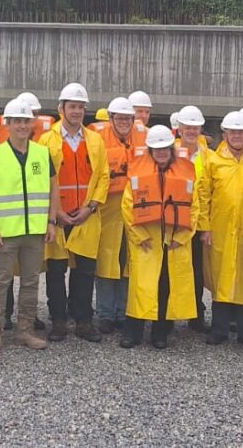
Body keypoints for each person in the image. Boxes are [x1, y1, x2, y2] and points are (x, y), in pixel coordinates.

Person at [0, 98, 59, 353]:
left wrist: (51, 221)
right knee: (1, 281)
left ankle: (25, 330)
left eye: (26, 121)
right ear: (8, 123)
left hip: (35, 231)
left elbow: (53, 189)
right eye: (17, 121)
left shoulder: (41, 153)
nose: (22, 126)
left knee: (30, 282)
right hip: (6, 231)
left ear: (32, 123)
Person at [40, 83, 109, 343]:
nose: (77, 111)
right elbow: (41, 180)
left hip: (85, 216)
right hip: (57, 217)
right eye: (72, 106)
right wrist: (54, 211)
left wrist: (90, 207)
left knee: (85, 271)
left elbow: (103, 176)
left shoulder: (95, 140)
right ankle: (58, 321)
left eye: (81, 107)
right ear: (61, 109)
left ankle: (83, 321)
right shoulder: (47, 140)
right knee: (56, 271)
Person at [119, 125, 197, 349]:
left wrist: (181, 238)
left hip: (172, 242)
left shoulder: (187, 172)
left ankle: (160, 333)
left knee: (166, 285)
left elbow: (194, 208)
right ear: (150, 151)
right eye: (156, 149)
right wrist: (139, 235)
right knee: (140, 287)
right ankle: (133, 332)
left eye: (165, 148)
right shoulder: (138, 173)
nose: (161, 152)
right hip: (147, 241)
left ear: (172, 149)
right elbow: (127, 206)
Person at [194, 111, 243, 347]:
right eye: (232, 131)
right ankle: (219, 330)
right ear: (224, 133)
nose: (236, 136)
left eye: (240, 132)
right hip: (220, 229)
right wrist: (205, 227)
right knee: (220, 278)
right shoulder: (212, 160)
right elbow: (203, 195)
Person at [95, 97, 145, 334]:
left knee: (129, 262)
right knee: (106, 261)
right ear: (111, 118)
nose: (124, 122)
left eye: (128, 118)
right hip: (107, 209)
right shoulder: (97, 139)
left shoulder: (143, 138)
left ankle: (124, 311)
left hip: (136, 209)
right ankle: (105, 313)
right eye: (120, 118)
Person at [174, 104, 210, 331]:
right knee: (170, 269)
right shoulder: (169, 152)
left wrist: (206, 227)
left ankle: (196, 315)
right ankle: (167, 317)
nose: (191, 131)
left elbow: (211, 194)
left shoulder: (210, 157)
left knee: (196, 269)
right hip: (174, 221)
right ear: (179, 128)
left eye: (195, 127)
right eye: (187, 127)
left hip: (198, 223)